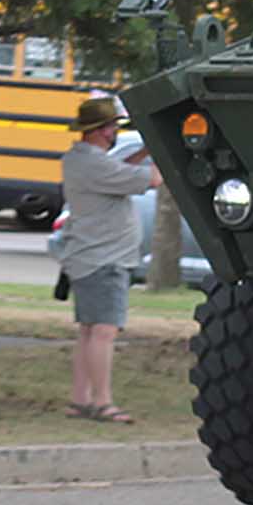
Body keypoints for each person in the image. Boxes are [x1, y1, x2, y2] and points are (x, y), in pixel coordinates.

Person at [57, 95, 154, 424]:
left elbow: (120, 171)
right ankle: (102, 402)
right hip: (105, 258)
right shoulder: (96, 165)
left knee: (88, 331)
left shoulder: (79, 159)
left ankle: (80, 399)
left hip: (88, 256)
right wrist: (167, 154)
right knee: (104, 331)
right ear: (101, 131)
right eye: (112, 126)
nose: (115, 131)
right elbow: (151, 179)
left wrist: (145, 152)